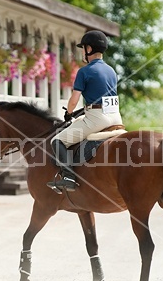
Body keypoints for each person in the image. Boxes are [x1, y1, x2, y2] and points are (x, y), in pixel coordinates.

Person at [47, 30, 123, 192]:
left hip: (97, 119)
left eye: (83, 48)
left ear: (89, 48)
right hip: (116, 118)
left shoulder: (84, 71)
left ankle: (68, 177)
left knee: (57, 141)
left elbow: (74, 100)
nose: (82, 52)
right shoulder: (111, 71)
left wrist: (68, 112)